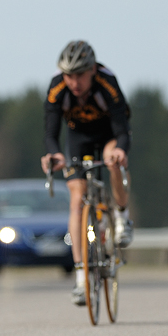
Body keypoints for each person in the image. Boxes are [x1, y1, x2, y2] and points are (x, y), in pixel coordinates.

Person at [40, 40, 133, 306]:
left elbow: (122, 130)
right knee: (77, 197)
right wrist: (55, 154)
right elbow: (50, 133)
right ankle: (81, 277)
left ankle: (122, 216)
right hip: (78, 138)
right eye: (69, 75)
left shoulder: (107, 82)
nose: (74, 82)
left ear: (92, 70)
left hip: (109, 135)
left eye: (79, 74)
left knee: (112, 161)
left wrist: (121, 151)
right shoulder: (57, 88)